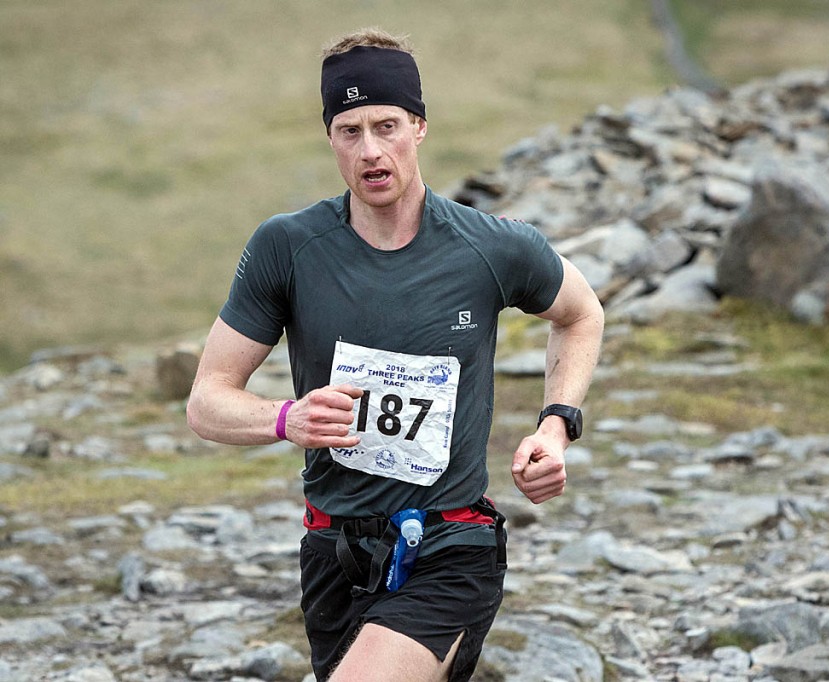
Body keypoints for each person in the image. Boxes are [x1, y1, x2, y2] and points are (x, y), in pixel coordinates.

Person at [187, 27, 604, 682]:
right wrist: (284, 420)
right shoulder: (288, 248)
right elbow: (208, 400)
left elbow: (581, 314)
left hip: (451, 542)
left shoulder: (490, 247)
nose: (370, 150)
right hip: (335, 551)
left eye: (387, 126)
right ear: (330, 138)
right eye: (350, 131)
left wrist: (557, 425)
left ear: (419, 126)